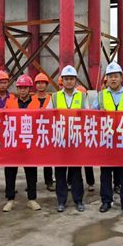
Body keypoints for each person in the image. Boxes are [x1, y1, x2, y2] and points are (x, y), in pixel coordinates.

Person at [92, 63, 123, 215]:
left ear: (121, 78)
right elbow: (91, 115)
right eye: (110, 76)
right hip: (107, 140)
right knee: (106, 173)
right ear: (107, 78)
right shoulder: (101, 95)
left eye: (116, 76)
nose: (113, 79)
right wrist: (99, 113)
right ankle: (106, 201)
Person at [47, 65, 89, 212]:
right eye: (66, 79)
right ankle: (61, 201)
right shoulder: (54, 97)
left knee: (76, 172)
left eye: (71, 79)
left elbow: (88, 116)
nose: (69, 81)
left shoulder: (82, 96)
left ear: (75, 80)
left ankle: (78, 200)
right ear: (62, 81)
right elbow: (47, 116)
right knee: (60, 173)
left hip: (76, 140)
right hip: (60, 140)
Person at [2, 75, 42, 212]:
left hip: (30, 144)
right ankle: (10, 200)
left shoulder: (37, 104)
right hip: (13, 144)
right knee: (10, 172)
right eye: (20, 88)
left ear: (30, 88)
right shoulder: (10, 103)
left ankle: (32, 199)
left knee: (31, 173)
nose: (23, 90)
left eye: (25, 87)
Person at [34, 73, 55, 191]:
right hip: (35, 132)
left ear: (46, 85)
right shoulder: (32, 99)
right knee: (33, 159)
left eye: (43, 83)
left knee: (48, 158)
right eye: (38, 83)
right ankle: (32, 182)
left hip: (48, 132)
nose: (41, 85)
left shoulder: (51, 99)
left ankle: (49, 182)